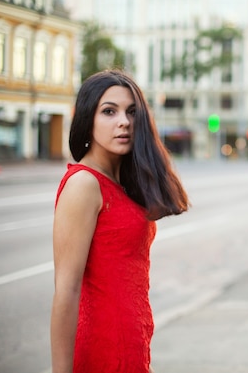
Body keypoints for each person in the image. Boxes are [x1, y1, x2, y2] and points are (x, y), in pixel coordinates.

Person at [50, 69, 189, 373]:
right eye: (109, 111)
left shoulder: (121, 183)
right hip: (104, 348)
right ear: (88, 119)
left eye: (131, 112)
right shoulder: (84, 184)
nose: (124, 121)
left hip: (132, 343)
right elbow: (66, 289)